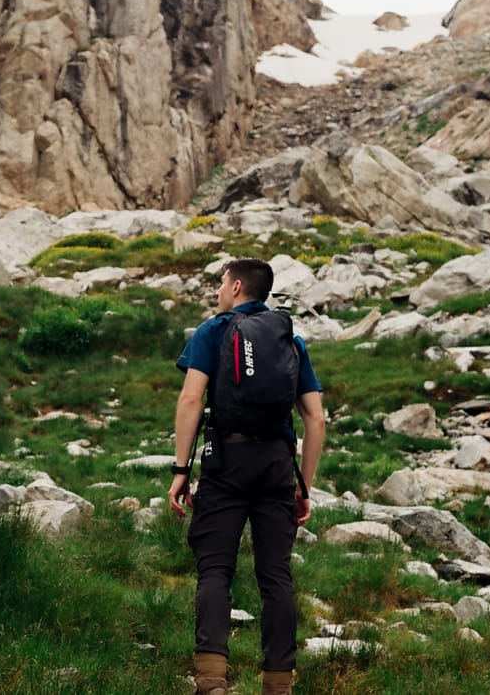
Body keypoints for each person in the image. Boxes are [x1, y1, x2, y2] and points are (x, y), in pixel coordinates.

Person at [168, 258, 326, 695]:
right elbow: (315, 419)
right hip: (276, 465)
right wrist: (304, 485)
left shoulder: (213, 330)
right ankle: (278, 684)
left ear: (237, 287)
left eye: (221, 284)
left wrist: (181, 470)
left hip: (226, 462)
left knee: (216, 570)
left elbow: (190, 399)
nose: (218, 292)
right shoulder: (289, 338)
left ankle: (213, 681)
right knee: (275, 575)